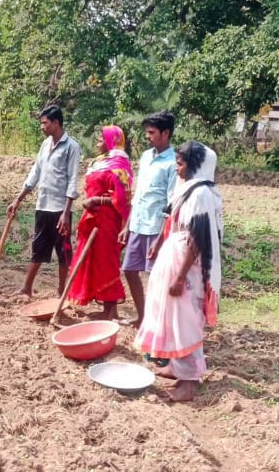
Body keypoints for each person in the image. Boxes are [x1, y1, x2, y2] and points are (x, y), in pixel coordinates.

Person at [134, 141, 223, 402]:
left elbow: (198, 239)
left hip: (187, 265)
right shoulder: (187, 189)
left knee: (184, 320)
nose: (176, 168)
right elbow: (172, 220)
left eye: (180, 163)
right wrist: (159, 244)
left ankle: (190, 381)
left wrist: (181, 277)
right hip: (175, 255)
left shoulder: (201, 194)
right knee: (171, 314)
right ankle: (176, 366)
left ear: (194, 166)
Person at [7, 105, 82, 298]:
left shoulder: (72, 147)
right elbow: (35, 173)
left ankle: (61, 291)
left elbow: (73, 180)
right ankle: (26, 288)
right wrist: (18, 199)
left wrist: (66, 213)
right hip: (43, 205)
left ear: (56, 123)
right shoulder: (45, 144)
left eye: (45, 123)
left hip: (60, 210)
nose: (42, 126)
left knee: (63, 251)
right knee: (38, 247)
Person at [66, 125, 133, 319]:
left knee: (106, 262)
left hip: (107, 220)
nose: (97, 142)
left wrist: (97, 200)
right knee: (93, 259)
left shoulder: (120, 165)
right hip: (92, 218)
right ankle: (105, 307)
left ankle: (111, 310)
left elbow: (123, 198)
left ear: (112, 141)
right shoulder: (99, 162)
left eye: (101, 139)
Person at [119, 111, 178, 326]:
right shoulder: (145, 157)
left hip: (156, 227)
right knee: (129, 270)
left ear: (166, 133)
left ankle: (159, 321)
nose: (147, 136)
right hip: (138, 224)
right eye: (147, 132)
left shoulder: (173, 163)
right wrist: (127, 225)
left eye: (152, 132)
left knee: (157, 277)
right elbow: (139, 194)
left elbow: (171, 203)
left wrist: (161, 237)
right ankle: (142, 316)